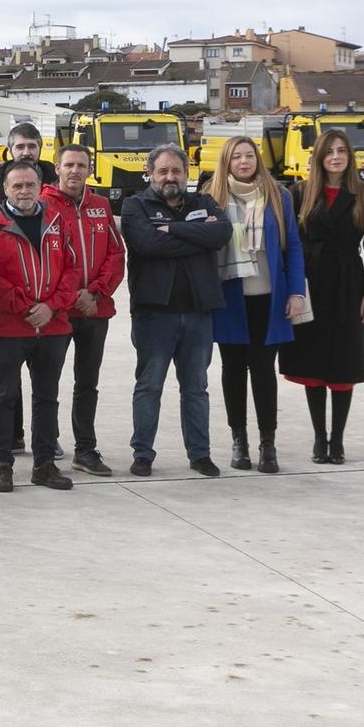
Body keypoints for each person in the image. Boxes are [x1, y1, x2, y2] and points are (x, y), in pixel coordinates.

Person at [120, 144, 232, 476]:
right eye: (163, 171)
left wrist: (175, 229)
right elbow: (148, 244)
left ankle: (200, 454)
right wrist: (200, 236)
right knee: (149, 385)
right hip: (155, 314)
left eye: (177, 171)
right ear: (150, 174)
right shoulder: (134, 206)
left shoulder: (204, 202)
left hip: (199, 312)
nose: (170, 177)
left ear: (187, 173)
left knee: (196, 387)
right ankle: (142, 453)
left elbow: (222, 233)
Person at [280, 129, 364, 465]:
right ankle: (318, 438)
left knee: (343, 362)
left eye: (341, 151)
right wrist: (291, 288)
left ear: (349, 156)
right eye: (329, 152)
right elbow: (290, 245)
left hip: (347, 284)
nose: (336, 157)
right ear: (319, 157)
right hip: (311, 283)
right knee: (314, 362)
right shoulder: (299, 193)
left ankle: (337, 440)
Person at [0, 161, 81, 493]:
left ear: (40, 186)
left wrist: (51, 307)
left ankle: (45, 465)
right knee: (5, 396)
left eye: (30, 185)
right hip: (9, 327)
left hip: (53, 327)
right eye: (17, 186)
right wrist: (25, 308)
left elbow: (72, 270)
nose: (24, 191)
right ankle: (3, 465)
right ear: (5, 189)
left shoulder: (57, 221)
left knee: (47, 398)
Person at [206, 135, 307, 473]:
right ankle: (239, 442)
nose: (244, 162)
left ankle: (268, 444)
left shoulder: (278, 196)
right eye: (237, 157)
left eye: (249, 155)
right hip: (229, 298)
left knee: (263, 371)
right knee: (232, 370)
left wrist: (296, 292)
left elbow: (292, 245)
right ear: (227, 162)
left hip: (269, 296)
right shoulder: (213, 196)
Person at [43, 143, 127, 478]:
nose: (75, 171)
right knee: (47, 384)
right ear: (57, 167)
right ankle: (46, 450)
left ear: (90, 169)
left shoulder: (101, 206)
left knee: (87, 383)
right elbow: (46, 260)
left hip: (95, 310)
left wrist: (95, 293)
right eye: (69, 165)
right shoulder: (43, 205)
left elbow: (115, 255)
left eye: (81, 165)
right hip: (60, 313)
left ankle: (85, 450)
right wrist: (68, 297)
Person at [0, 121, 57, 219]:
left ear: (40, 149)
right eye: (20, 147)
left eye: (32, 146)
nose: (26, 152)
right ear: (10, 150)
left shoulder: (56, 178)